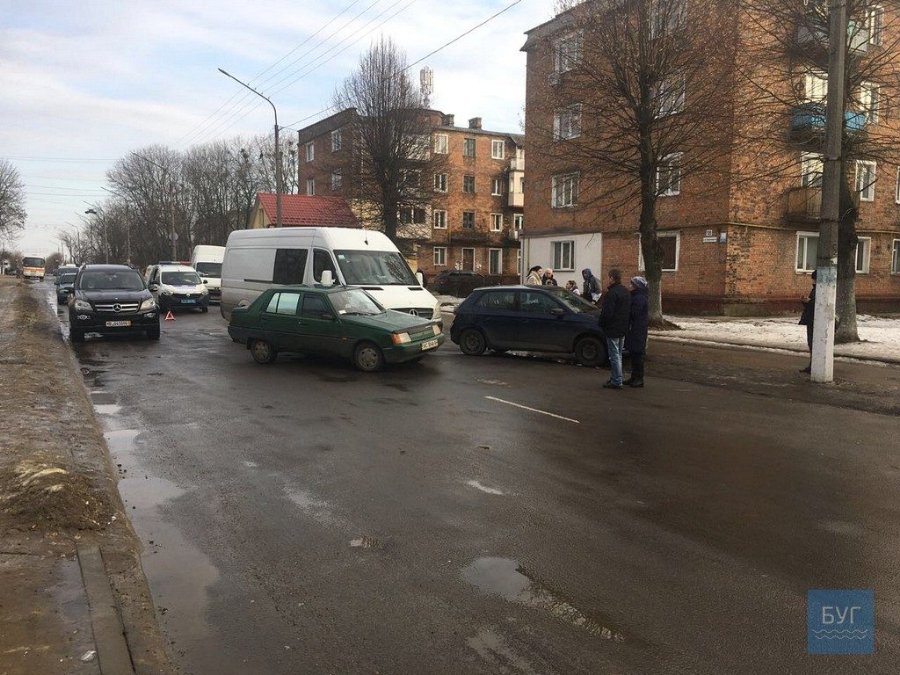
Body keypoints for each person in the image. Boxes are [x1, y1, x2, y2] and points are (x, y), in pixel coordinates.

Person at [599, 269, 631, 389]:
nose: (608, 279)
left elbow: (607, 313)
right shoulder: (625, 291)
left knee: (614, 355)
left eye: (609, 277)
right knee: (618, 355)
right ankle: (616, 377)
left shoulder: (612, 293)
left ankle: (616, 380)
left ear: (612, 278)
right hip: (622, 327)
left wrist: (602, 323)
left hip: (613, 328)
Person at [624, 276, 650, 388]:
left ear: (636, 286)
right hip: (636, 329)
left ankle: (639, 378)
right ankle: (634, 377)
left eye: (632, 284)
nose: (629, 286)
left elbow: (634, 313)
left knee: (638, 354)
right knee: (634, 354)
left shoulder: (639, 298)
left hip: (637, 329)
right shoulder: (637, 296)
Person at [799, 270, 816, 373]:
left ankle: (813, 366)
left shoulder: (818, 289)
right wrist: (806, 302)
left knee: (813, 343)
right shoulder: (815, 289)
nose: (812, 281)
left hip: (813, 320)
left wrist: (808, 302)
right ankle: (812, 365)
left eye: (813, 279)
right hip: (812, 319)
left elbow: (816, 305)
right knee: (812, 344)